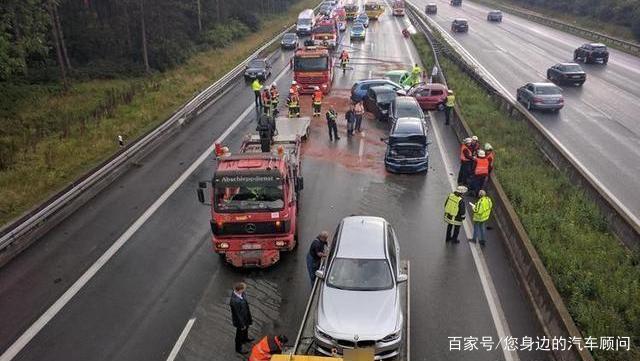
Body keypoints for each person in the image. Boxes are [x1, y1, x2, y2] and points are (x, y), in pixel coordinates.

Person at [230, 282, 253, 354]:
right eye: (244, 289)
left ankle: (245, 339)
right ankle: (238, 349)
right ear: (239, 290)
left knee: (246, 329)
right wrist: (242, 324)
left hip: (245, 317)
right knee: (239, 335)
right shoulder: (234, 301)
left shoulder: (242, 293)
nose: (245, 291)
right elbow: (237, 315)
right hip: (240, 321)